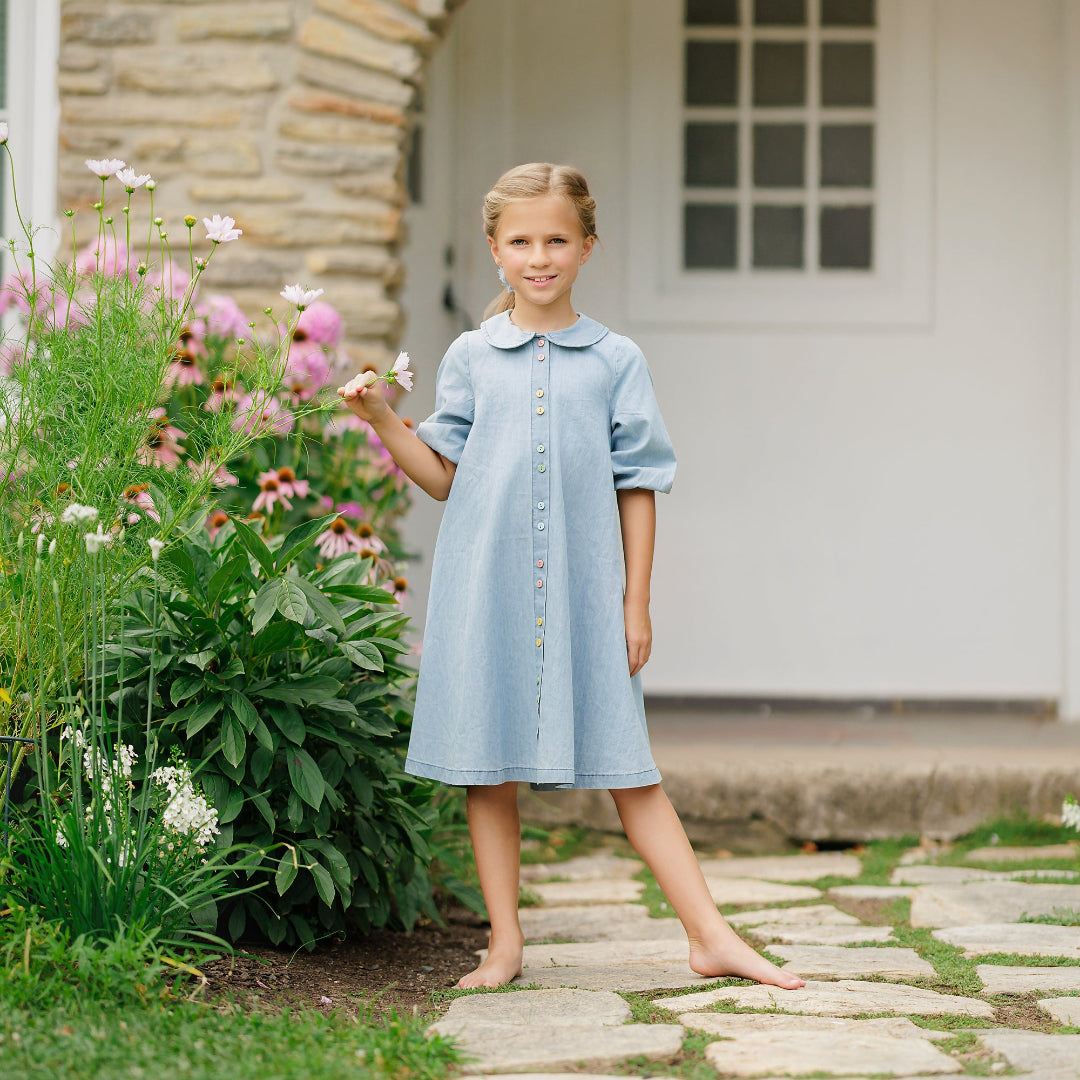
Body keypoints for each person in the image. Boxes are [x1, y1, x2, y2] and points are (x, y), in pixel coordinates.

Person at [339, 162, 804, 992]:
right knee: (489, 769)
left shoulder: (615, 359)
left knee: (631, 770)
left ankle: (711, 935)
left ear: (587, 246)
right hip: (486, 592)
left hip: (588, 600)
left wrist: (636, 602)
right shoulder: (471, 357)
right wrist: (381, 418)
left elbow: (640, 483)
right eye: (521, 241)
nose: (539, 256)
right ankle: (504, 945)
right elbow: (444, 475)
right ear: (495, 249)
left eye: (557, 239)